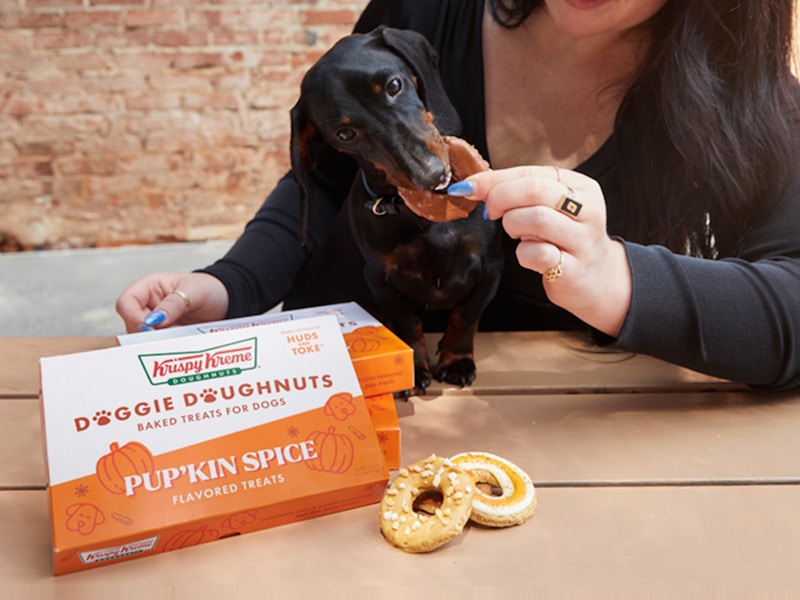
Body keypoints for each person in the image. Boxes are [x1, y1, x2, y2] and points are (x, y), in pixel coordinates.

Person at [116, 0, 800, 391]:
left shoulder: (747, 91)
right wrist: (231, 285)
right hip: (351, 386)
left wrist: (615, 279)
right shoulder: (422, 12)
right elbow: (324, 180)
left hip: (560, 429)